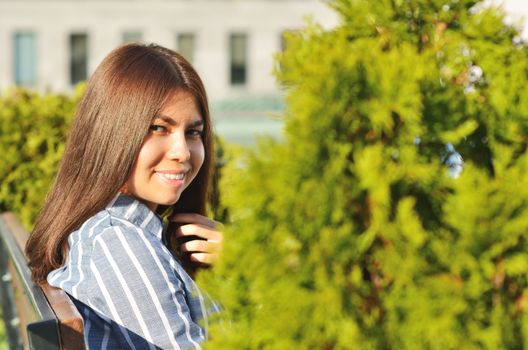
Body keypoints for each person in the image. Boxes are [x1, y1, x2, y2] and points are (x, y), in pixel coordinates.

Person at [25, 43, 223, 349]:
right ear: (114, 135)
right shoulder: (118, 242)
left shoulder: (134, 232)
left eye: (193, 132)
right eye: (158, 128)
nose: (182, 151)